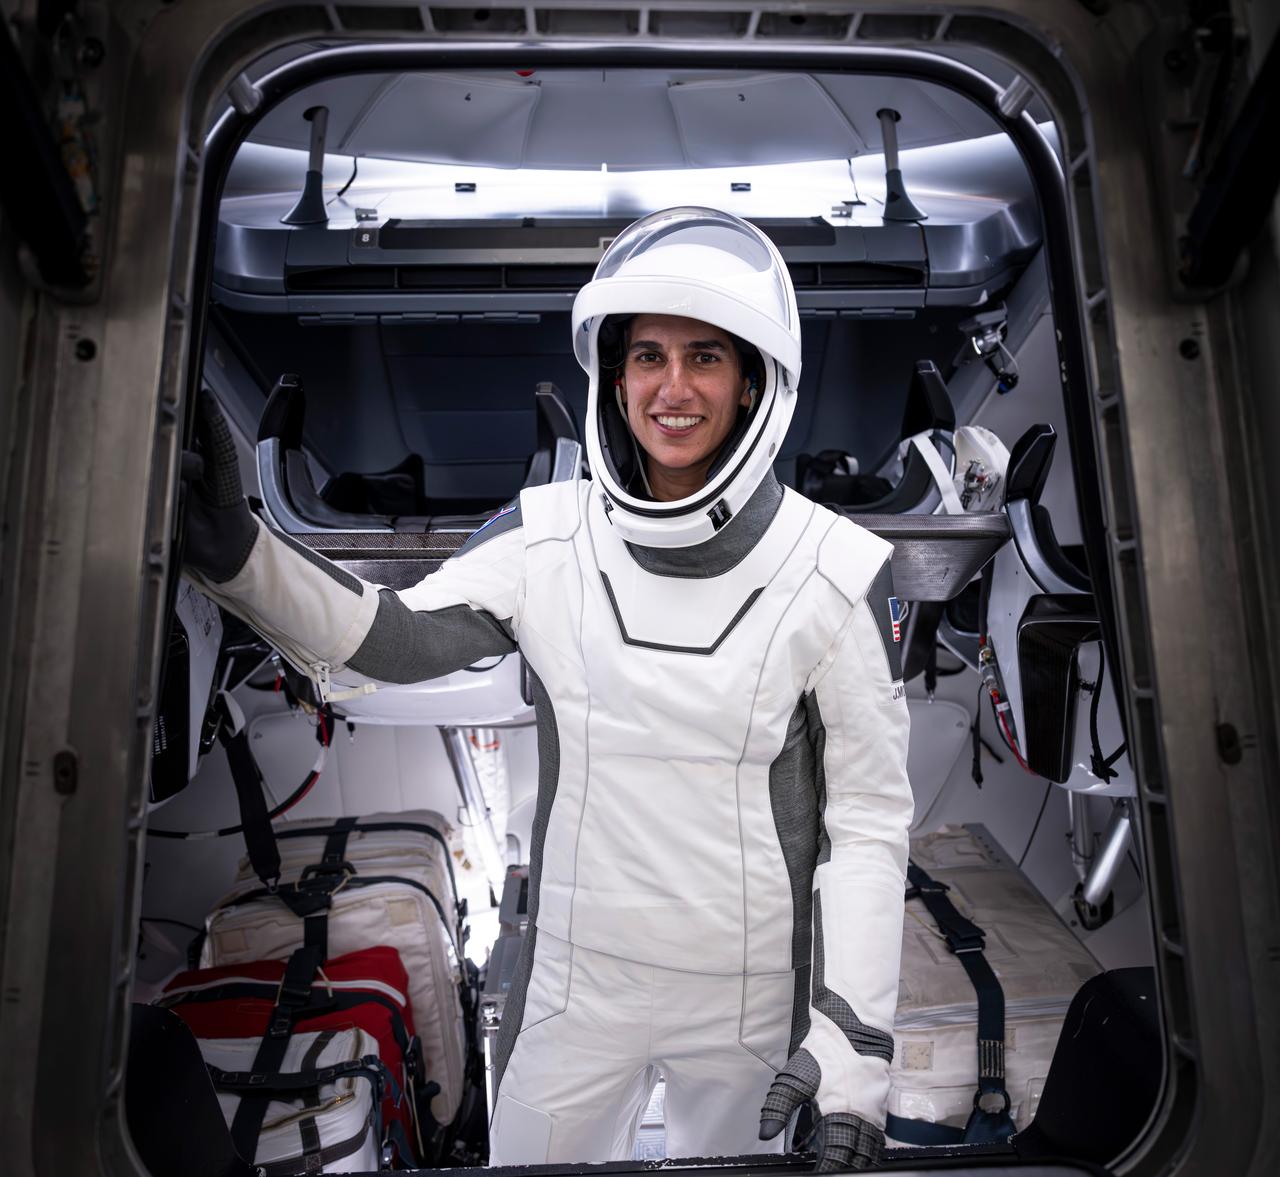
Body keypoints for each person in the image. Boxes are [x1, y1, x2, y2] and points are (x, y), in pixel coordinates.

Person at [184, 207, 912, 1171]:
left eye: (705, 357)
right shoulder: (545, 536)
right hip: (578, 993)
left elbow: (865, 825)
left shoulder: (838, 569)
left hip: (746, 1008)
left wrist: (854, 1050)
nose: (673, 386)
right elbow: (389, 641)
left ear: (752, 384)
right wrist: (242, 556)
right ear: (615, 376)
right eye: (647, 354)